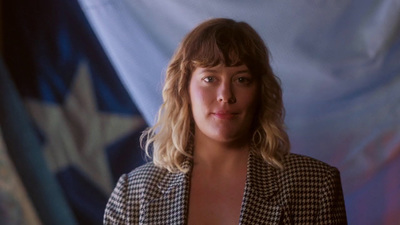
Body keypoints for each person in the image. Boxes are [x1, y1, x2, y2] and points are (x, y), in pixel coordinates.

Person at [104, 18, 347, 224]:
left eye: (242, 79)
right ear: (183, 88)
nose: (225, 95)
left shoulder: (316, 186)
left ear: (260, 91)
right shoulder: (132, 194)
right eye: (210, 78)